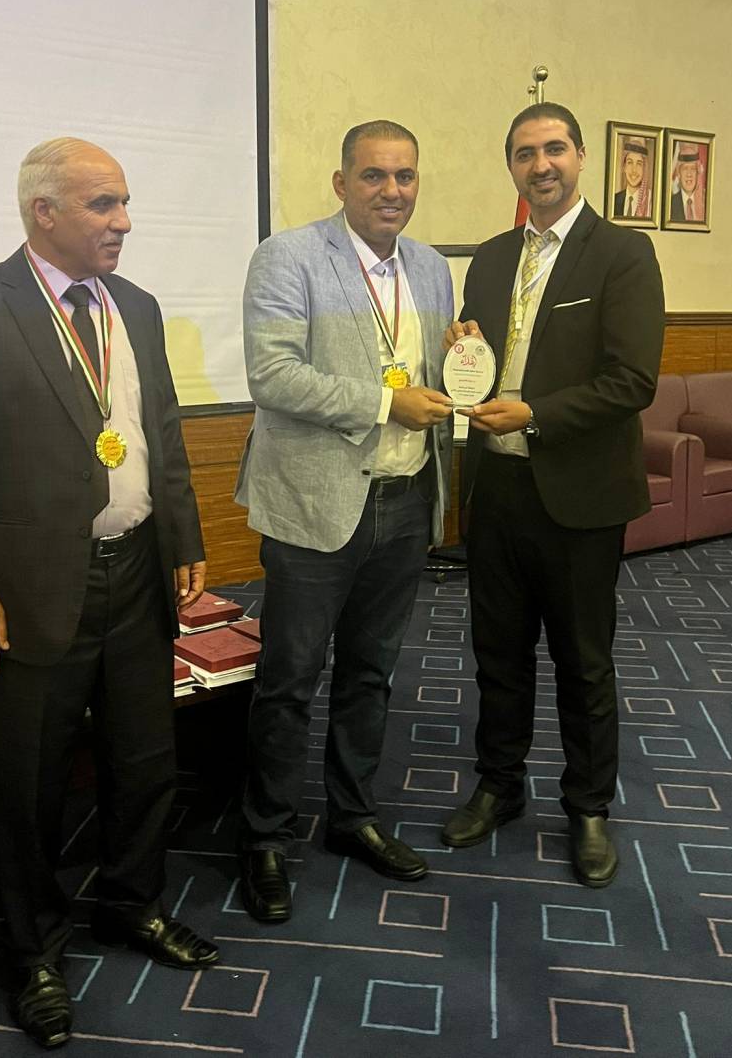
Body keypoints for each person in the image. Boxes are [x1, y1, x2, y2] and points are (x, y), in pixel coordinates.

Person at [0, 137, 218, 1051]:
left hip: (139, 572)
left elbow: (160, 428)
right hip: (32, 587)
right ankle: (33, 949)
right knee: (31, 778)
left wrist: (185, 536)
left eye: (125, 203)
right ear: (44, 211)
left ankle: (132, 902)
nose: (125, 222)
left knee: (144, 758)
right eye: (103, 204)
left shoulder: (137, 306)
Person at [234, 120, 455, 923]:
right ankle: (264, 835)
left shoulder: (431, 268)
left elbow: (430, 375)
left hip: (405, 499)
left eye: (405, 176)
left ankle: (353, 816)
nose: (391, 191)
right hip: (314, 505)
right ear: (341, 182)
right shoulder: (288, 257)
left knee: (371, 673)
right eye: (373, 175)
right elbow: (273, 375)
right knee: (289, 679)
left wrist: (461, 355)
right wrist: (385, 401)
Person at [441, 103, 664, 889]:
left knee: (583, 661)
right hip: (496, 487)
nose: (541, 164)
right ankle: (499, 783)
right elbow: (479, 356)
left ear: (579, 158)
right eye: (525, 153)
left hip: (579, 496)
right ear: (511, 166)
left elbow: (632, 380)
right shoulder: (492, 257)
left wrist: (534, 413)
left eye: (555, 148)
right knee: (497, 653)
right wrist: (462, 350)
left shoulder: (623, 253)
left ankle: (588, 806)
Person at [612, 138, 650, 219]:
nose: (634, 170)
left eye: (639, 164)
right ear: (624, 167)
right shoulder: (614, 200)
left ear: (644, 169)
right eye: (630, 162)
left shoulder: (650, 202)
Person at [668, 142, 704, 222]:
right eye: (685, 169)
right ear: (679, 173)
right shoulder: (669, 205)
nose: (689, 174)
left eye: (693, 169)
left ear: (698, 173)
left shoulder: (705, 204)